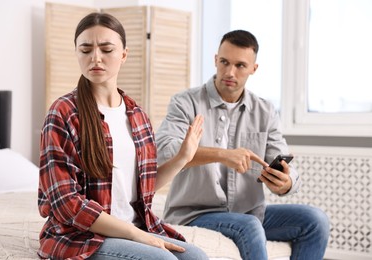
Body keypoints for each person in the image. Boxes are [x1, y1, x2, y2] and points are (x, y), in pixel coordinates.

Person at [38, 12, 208, 260]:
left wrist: (182, 158)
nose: (95, 57)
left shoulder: (137, 115)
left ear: (124, 55)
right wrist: (133, 234)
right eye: (85, 50)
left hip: (133, 229)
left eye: (106, 49)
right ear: (77, 53)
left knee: (196, 257)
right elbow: (66, 204)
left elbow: (142, 190)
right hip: (81, 236)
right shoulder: (63, 113)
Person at [156, 29, 330, 260]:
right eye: (224, 62)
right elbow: (165, 152)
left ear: (253, 69)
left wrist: (286, 182)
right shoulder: (185, 102)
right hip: (194, 213)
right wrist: (222, 154)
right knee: (248, 225)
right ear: (215, 59)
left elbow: (281, 159)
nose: (229, 72)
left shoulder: (265, 111)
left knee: (315, 220)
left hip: (249, 212)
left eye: (240, 65)